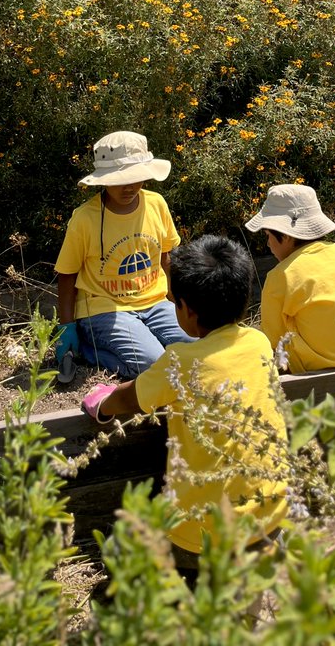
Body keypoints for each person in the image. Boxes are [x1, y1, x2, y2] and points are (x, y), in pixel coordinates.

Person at [80, 235, 289, 585]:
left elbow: (130, 399)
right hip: (269, 520)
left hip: (203, 537)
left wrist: (102, 403)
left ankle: (181, 576)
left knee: (117, 545)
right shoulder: (258, 343)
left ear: (187, 310)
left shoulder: (181, 361)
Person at [54, 130, 193, 379]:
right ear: (104, 180)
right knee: (154, 364)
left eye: (135, 177)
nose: (129, 186)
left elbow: (166, 259)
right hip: (104, 309)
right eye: (120, 180)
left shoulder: (156, 204)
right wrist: (67, 326)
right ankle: (89, 349)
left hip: (155, 303)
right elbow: (67, 274)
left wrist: (180, 302)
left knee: (199, 349)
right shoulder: (85, 219)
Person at [246, 183, 335, 373]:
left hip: (318, 372)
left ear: (286, 236)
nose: (268, 244)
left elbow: (274, 341)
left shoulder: (280, 276)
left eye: (268, 236)